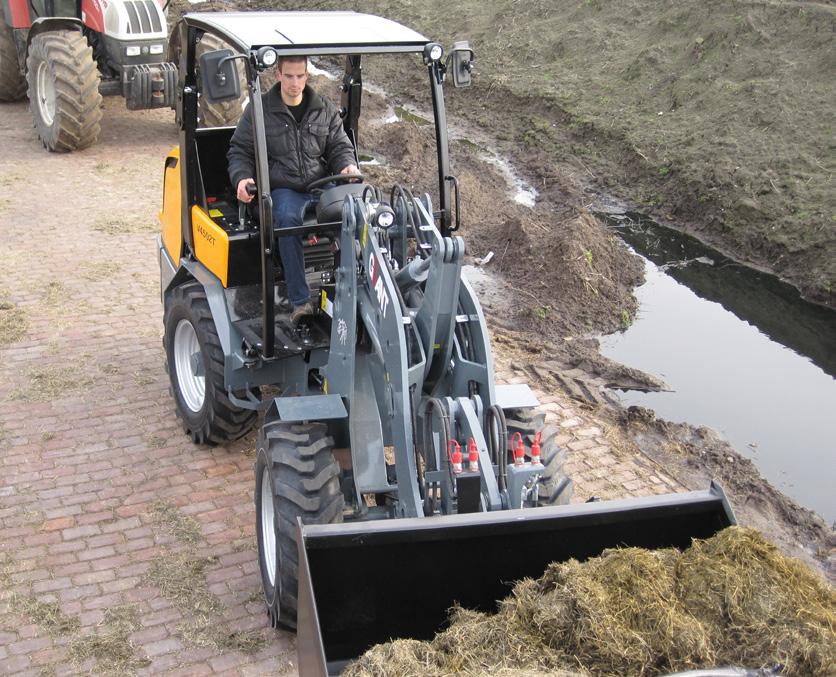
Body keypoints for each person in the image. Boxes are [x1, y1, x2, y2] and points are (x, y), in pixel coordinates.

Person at [227, 55, 359, 323]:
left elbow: (340, 147)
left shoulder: (324, 109)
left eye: (300, 76)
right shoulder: (259, 111)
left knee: (351, 213)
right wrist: (242, 178)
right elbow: (239, 150)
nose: (294, 83)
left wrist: (346, 165)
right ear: (278, 75)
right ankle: (300, 301)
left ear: (307, 76)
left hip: (319, 184)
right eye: (289, 76)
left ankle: (349, 289)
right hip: (284, 188)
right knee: (287, 220)